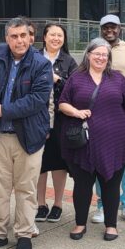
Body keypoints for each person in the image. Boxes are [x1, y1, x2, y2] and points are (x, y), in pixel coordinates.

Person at [0, 16, 52, 249]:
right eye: (14, 36)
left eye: (23, 36)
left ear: (31, 37)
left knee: (26, 188)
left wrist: (4, 110)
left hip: (28, 137)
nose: (20, 41)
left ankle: (24, 234)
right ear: (7, 38)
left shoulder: (41, 64)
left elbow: (38, 99)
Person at [58, 38, 125, 241]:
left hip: (115, 142)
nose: (101, 58)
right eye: (97, 54)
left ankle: (111, 225)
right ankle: (80, 223)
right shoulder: (77, 78)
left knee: (111, 184)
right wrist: (76, 112)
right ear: (88, 55)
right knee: (83, 185)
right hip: (83, 143)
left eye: (105, 55)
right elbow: (62, 104)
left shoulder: (118, 78)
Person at [91, 14, 125, 225]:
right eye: (105, 28)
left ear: (120, 28)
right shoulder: (94, 50)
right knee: (100, 164)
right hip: (99, 119)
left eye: (113, 27)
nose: (109, 31)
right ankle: (102, 205)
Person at [36, 22, 77, 223]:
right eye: (52, 34)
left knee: (58, 163)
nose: (56, 38)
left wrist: (57, 79)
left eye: (59, 35)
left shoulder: (69, 61)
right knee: (38, 164)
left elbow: (76, 88)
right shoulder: (33, 57)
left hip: (60, 121)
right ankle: (40, 204)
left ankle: (58, 203)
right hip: (36, 120)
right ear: (44, 37)